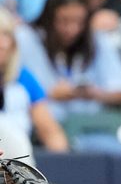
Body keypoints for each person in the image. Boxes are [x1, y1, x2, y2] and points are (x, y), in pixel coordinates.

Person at [15, 0, 121, 150]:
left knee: (115, 148)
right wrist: (50, 94)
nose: (72, 29)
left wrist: (94, 93)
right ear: (49, 17)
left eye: (79, 21)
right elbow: (12, 89)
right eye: (64, 21)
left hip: (90, 126)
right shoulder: (25, 38)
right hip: (42, 128)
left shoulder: (95, 39)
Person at [0, 8, 69, 152]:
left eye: (5, 35)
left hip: (15, 162)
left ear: (13, 43)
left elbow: (49, 130)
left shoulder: (24, 78)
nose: (1, 43)